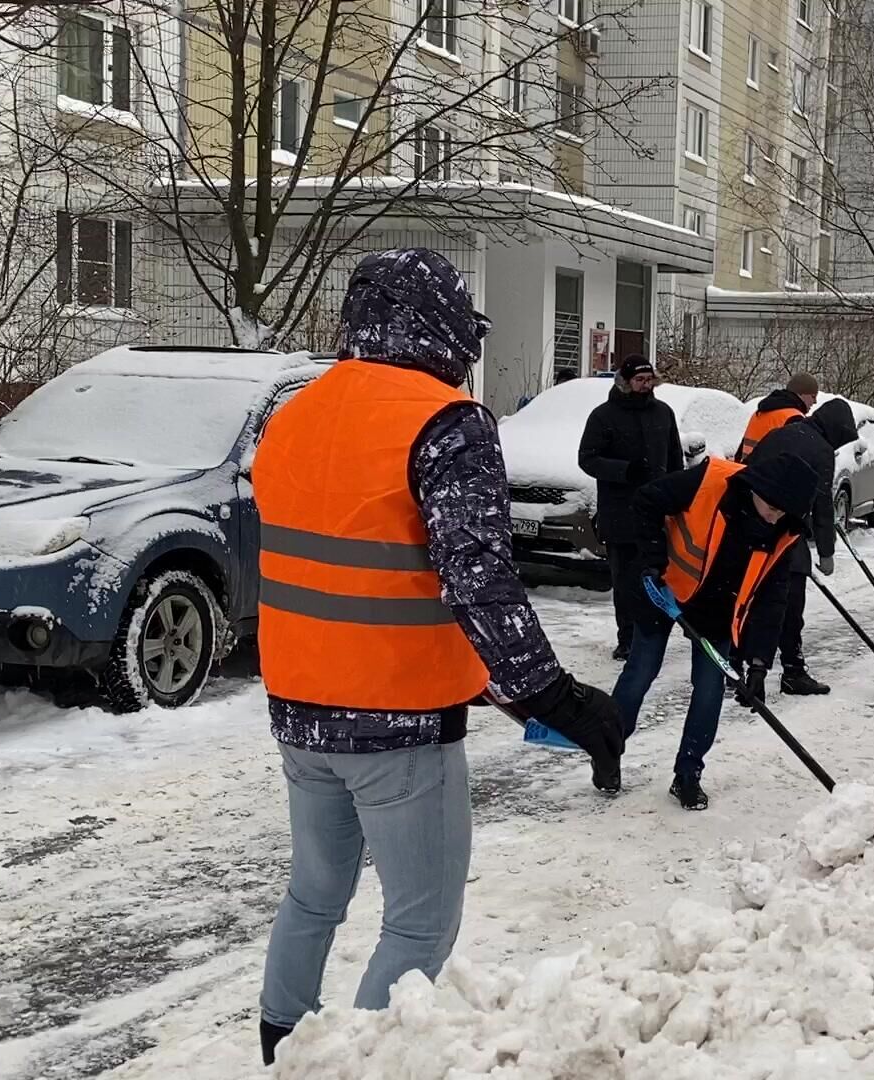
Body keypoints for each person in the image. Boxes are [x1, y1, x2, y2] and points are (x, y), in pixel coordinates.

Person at [253, 249, 624, 1066]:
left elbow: (350, 561)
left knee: (314, 894)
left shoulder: (295, 412)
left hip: (295, 708)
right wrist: (553, 698)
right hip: (398, 722)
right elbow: (479, 578)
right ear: (444, 330)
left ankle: (281, 1050)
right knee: (420, 921)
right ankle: (359, 1064)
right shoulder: (446, 423)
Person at [617, 451, 818, 811]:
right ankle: (608, 747)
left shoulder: (782, 533)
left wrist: (758, 665)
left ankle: (689, 773)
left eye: (783, 510)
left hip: (715, 610)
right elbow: (646, 500)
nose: (774, 515)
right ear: (758, 486)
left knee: (709, 689)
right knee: (641, 671)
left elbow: (773, 601)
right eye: (771, 505)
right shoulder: (709, 482)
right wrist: (652, 560)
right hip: (661, 588)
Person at [741, 397, 860, 697]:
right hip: (785, 531)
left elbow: (746, 469)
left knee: (753, 599)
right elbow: (822, 504)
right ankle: (792, 671)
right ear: (835, 431)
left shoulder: (779, 433)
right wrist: (826, 551)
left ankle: (739, 665)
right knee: (789, 604)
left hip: (750, 525)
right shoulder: (821, 451)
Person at [578, 355, 683, 660]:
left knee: (656, 575)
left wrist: (677, 497)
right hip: (620, 514)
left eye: (650, 380)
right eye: (639, 380)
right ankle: (628, 639)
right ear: (625, 382)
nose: (646, 386)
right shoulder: (603, 416)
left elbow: (675, 458)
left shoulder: (663, 413)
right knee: (625, 582)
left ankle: (653, 634)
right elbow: (587, 459)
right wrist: (625, 470)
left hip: (657, 513)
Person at [737, 373, 820, 460]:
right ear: (801, 393)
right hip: (767, 472)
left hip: (745, 470)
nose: (815, 402)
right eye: (813, 397)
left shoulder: (759, 412)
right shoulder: (794, 418)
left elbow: (740, 452)